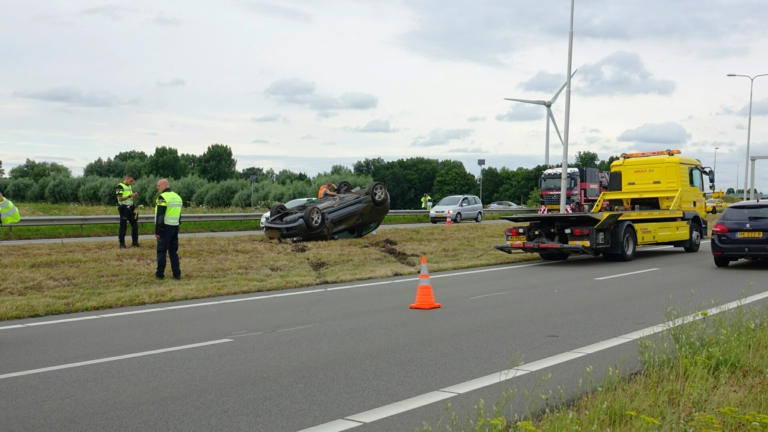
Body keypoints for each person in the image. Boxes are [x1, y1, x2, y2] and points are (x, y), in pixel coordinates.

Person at [154, 179, 183, 280]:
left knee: (161, 251)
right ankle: (177, 274)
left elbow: (160, 216)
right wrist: (177, 224)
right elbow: (179, 214)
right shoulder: (177, 197)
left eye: (158, 185)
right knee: (173, 252)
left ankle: (160, 274)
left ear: (165, 185)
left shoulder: (162, 197)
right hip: (175, 227)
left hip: (165, 228)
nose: (157, 187)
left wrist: (157, 230)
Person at [116, 174, 140, 248]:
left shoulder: (129, 186)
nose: (131, 183)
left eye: (132, 181)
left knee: (135, 226)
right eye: (130, 181)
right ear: (126, 179)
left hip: (131, 208)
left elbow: (129, 196)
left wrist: (134, 195)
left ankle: (135, 242)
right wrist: (130, 196)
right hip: (124, 209)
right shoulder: (120, 186)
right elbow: (119, 199)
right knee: (123, 227)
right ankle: (122, 244)